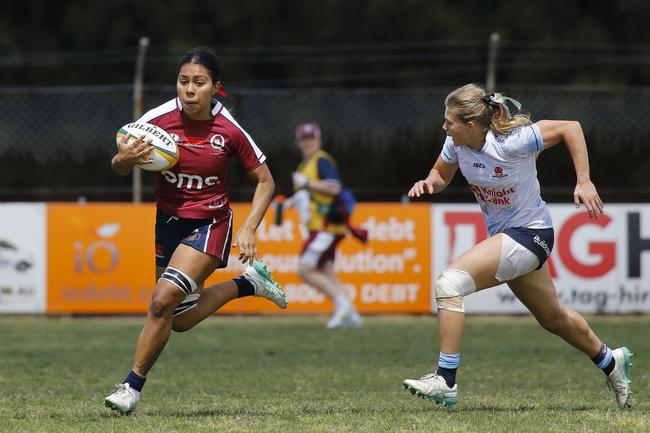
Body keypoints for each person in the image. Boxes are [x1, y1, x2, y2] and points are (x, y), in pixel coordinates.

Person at [402, 83, 633, 409]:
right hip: (511, 238)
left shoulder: (512, 142)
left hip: (530, 234)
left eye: (449, 121)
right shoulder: (456, 144)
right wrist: (428, 183)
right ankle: (611, 360)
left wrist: (584, 180)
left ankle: (446, 379)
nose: (444, 126)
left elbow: (571, 128)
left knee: (449, 283)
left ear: (470, 126)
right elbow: (440, 176)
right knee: (554, 318)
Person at [104, 47, 287, 415]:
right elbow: (119, 165)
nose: (189, 90)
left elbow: (265, 180)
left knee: (160, 301)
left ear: (215, 88)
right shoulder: (157, 120)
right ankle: (247, 284)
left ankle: (131, 386)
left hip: (211, 223)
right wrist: (122, 160)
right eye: (183, 81)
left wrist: (250, 227)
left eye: (199, 83)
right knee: (179, 319)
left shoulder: (229, 129)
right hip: (168, 221)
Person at [291, 122, 366, 329]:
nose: (307, 142)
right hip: (319, 226)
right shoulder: (304, 166)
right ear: (299, 142)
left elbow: (334, 188)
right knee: (326, 270)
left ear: (318, 139)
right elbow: (308, 197)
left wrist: (306, 184)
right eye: (304, 139)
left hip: (326, 227)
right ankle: (352, 317)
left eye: (311, 138)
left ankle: (342, 306)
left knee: (304, 269)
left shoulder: (320, 160)